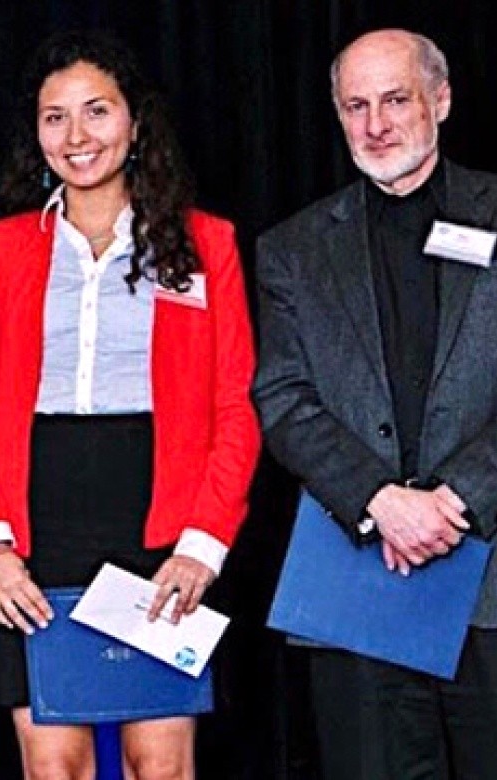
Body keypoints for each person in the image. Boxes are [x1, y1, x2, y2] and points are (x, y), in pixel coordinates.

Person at [0, 31, 260, 780]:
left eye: (96, 112)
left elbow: (235, 409)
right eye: (55, 118)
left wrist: (204, 544)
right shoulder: (0, 249)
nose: (77, 137)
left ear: (135, 121)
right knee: (55, 767)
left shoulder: (205, 243)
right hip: (32, 530)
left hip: (163, 527)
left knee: (161, 766)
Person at [254, 28, 497, 779]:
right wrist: (379, 500)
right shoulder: (292, 248)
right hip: (358, 583)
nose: (376, 124)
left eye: (395, 99)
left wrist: (458, 497)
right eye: (355, 105)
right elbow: (282, 396)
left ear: (442, 99)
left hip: (490, 578)